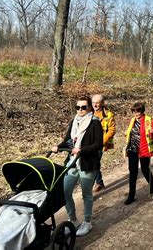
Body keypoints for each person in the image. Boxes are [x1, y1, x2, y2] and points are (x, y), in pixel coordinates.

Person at [52, 96, 103, 237]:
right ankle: (73, 220)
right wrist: (59, 146)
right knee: (65, 192)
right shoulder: (74, 121)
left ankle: (87, 222)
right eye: (78, 107)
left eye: (83, 107)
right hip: (73, 162)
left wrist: (82, 150)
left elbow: (98, 144)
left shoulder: (95, 123)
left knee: (86, 194)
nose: (80, 110)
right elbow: (69, 139)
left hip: (87, 163)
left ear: (89, 108)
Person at [124, 102, 153, 205]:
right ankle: (131, 195)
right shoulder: (132, 120)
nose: (136, 113)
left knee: (144, 169)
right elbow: (130, 132)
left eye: (138, 111)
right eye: (134, 111)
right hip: (132, 149)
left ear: (142, 111)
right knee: (133, 172)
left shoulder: (149, 120)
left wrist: (152, 132)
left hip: (144, 149)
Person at [91, 94, 116, 192]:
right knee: (92, 162)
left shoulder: (108, 115)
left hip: (100, 143)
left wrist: (101, 141)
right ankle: (99, 182)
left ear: (102, 103)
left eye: (97, 103)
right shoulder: (88, 111)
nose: (95, 105)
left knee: (94, 162)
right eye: (93, 103)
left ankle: (95, 183)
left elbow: (112, 130)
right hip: (88, 143)